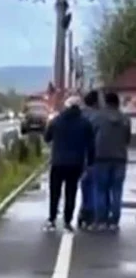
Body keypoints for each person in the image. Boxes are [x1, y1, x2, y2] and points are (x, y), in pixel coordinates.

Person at [43, 95, 95, 232]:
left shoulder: (56, 120)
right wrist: (90, 162)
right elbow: (91, 145)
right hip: (76, 163)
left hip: (57, 162)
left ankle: (52, 219)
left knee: (55, 192)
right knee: (70, 193)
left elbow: (47, 138)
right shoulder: (85, 123)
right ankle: (67, 222)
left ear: (66, 106)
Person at [92, 91, 131, 231]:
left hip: (101, 157)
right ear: (117, 102)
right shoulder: (125, 119)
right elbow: (127, 139)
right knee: (117, 190)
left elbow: (91, 135)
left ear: (106, 102)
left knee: (100, 189)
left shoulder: (98, 117)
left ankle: (101, 221)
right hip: (120, 158)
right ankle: (114, 221)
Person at [77, 90, 100, 229]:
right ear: (96, 102)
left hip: (79, 155)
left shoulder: (81, 115)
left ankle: (84, 211)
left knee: (85, 185)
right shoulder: (97, 116)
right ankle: (90, 213)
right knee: (93, 185)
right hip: (95, 155)